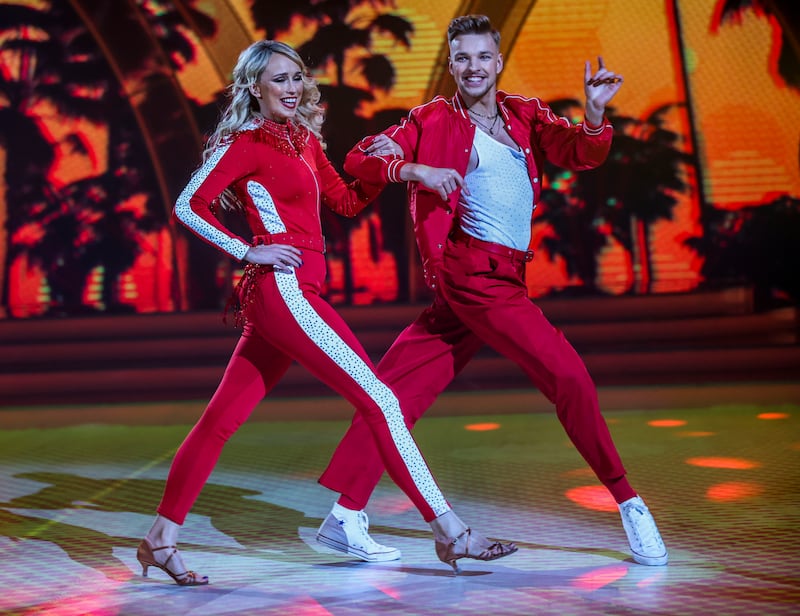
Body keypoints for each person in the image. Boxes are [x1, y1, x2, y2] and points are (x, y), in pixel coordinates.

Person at [136, 40, 517, 586]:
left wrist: (403, 169)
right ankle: (450, 533)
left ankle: (159, 539)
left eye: (296, 77)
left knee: (220, 420)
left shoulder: (304, 143)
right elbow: (186, 204)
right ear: (253, 87)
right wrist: (249, 249)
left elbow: (343, 201)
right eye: (278, 79)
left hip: (298, 291)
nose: (291, 88)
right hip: (283, 290)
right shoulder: (247, 143)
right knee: (382, 399)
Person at [316, 14, 668, 567]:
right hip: (473, 277)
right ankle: (629, 501)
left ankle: (344, 514)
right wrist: (415, 171)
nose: (472, 67)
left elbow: (581, 151)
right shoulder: (433, 119)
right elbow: (361, 156)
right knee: (569, 374)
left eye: (482, 57)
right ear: (452, 65)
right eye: (462, 58)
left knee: (396, 391)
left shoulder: (524, 113)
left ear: (497, 62)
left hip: (502, 275)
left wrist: (595, 113)